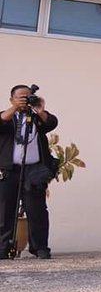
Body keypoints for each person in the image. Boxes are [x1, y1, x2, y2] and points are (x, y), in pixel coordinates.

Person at [0, 85, 59, 259]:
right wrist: (15, 108)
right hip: (9, 170)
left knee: (37, 209)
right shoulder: (7, 116)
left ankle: (39, 247)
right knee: (4, 210)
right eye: (21, 97)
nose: (25, 100)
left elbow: (52, 123)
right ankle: (3, 247)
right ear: (11, 99)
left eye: (28, 96)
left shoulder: (36, 117)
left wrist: (40, 110)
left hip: (33, 170)